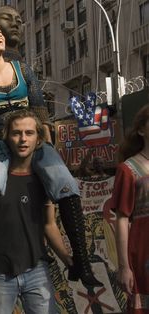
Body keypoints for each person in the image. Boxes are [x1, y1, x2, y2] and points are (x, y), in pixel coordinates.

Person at [0, 22, 102, 287]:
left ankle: (81, 260)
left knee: (66, 184)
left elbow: (39, 106)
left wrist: (46, 140)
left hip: (31, 136)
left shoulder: (23, 70)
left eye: (0, 31)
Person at [0, 110, 72, 313]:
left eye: (29, 133)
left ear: (38, 138)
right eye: (16, 133)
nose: (23, 139)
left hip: (36, 269)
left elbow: (49, 224)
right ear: (6, 136)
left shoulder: (42, 178)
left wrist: (69, 260)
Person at [112, 105, 149, 314]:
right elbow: (122, 219)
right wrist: (124, 266)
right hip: (143, 254)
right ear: (142, 130)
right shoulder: (129, 169)